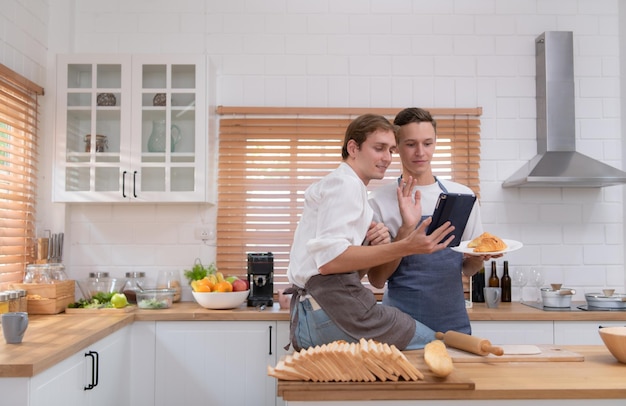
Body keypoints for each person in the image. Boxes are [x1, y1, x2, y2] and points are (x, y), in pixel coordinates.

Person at [286, 113, 456, 352]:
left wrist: (373, 246)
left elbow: (346, 270)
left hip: (318, 311)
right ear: (353, 148)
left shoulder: (349, 187)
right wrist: (407, 246)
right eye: (379, 148)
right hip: (334, 309)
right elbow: (329, 262)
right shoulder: (346, 185)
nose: (387, 158)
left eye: (391, 151)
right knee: (431, 345)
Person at [368, 107, 501, 335]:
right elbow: (378, 280)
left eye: (427, 143)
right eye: (411, 144)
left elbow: (468, 269)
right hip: (400, 327)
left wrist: (479, 258)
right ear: (396, 147)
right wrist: (406, 230)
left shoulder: (463, 197)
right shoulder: (380, 202)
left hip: (453, 324)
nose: (420, 152)